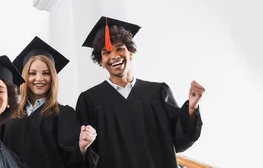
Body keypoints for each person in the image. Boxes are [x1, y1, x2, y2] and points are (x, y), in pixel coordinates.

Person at [76, 16, 205, 168]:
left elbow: (179, 139)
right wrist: (82, 148)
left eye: (120, 48)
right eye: (106, 52)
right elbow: (87, 153)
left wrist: (191, 107)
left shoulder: (158, 92)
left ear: (131, 53)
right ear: (101, 62)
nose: (114, 56)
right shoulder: (90, 101)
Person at [0, 36, 98, 168]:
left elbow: (74, 162)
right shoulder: (9, 115)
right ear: (25, 77)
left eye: (46, 73)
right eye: (32, 73)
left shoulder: (64, 114)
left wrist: (82, 149)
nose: (39, 78)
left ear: (53, 78)